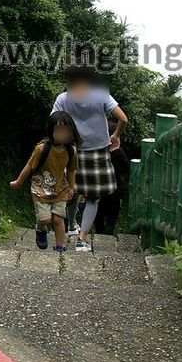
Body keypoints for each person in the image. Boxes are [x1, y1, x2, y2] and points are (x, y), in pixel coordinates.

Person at [52, 65, 127, 251]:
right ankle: (82, 239)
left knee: (73, 189)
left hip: (73, 150)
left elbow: (53, 120)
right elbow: (123, 119)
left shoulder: (63, 98)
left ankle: (70, 225)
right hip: (98, 151)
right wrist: (115, 136)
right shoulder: (101, 95)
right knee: (93, 197)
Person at [9, 111, 80, 252]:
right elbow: (29, 166)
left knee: (58, 219)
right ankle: (40, 228)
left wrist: (72, 188)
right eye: (59, 130)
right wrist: (18, 182)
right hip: (40, 188)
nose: (63, 134)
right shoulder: (42, 149)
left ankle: (60, 247)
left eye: (66, 131)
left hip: (60, 190)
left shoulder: (71, 151)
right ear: (51, 131)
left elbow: (71, 170)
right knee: (45, 219)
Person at [96, 119, 130, 234]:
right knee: (111, 217)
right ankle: (107, 235)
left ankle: (99, 234)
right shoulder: (118, 153)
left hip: (98, 189)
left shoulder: (97, 151)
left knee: (98, 216)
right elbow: (127, 169)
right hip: (115, 190)